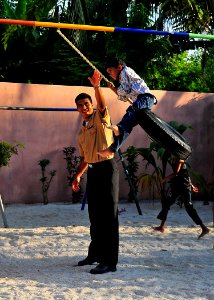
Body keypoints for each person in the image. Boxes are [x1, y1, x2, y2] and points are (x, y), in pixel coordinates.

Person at [72, 70, 119, 274]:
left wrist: (97, 87)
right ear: (77, 109)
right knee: (95, 217)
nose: (84, 107)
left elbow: (102, 105)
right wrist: (78, 174)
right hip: (92, 171)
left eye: (86, 104)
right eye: (80, 106)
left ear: (91, 105)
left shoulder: (100, 118)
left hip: (107, 170)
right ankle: (95, 255)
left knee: (109, 217)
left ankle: (110, 262)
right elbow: (86, 157)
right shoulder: (83, 129)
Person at [97, 57, 157, 157]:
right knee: (126, 125)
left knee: (131, 112)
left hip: (145, 98)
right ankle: (112, 149)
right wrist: (113, 89)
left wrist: (115, 88)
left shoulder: (125, 72)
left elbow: (125, 90)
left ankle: (119, 130)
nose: (109, 74)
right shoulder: (123, 77)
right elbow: (124, 95)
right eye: (108, 72)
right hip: (142, 101)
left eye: (110, 70)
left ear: (119, 67)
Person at [152, 157, 210, 239]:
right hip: (177, 186)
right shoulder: (173, 158)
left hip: (185, 187)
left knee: (189, 207)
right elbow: (185, 174)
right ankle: (161, 227)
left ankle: (204, 228)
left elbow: (177, 173)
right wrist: (193, 186)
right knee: (167, 203)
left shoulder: (181, 160)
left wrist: (165, 178)